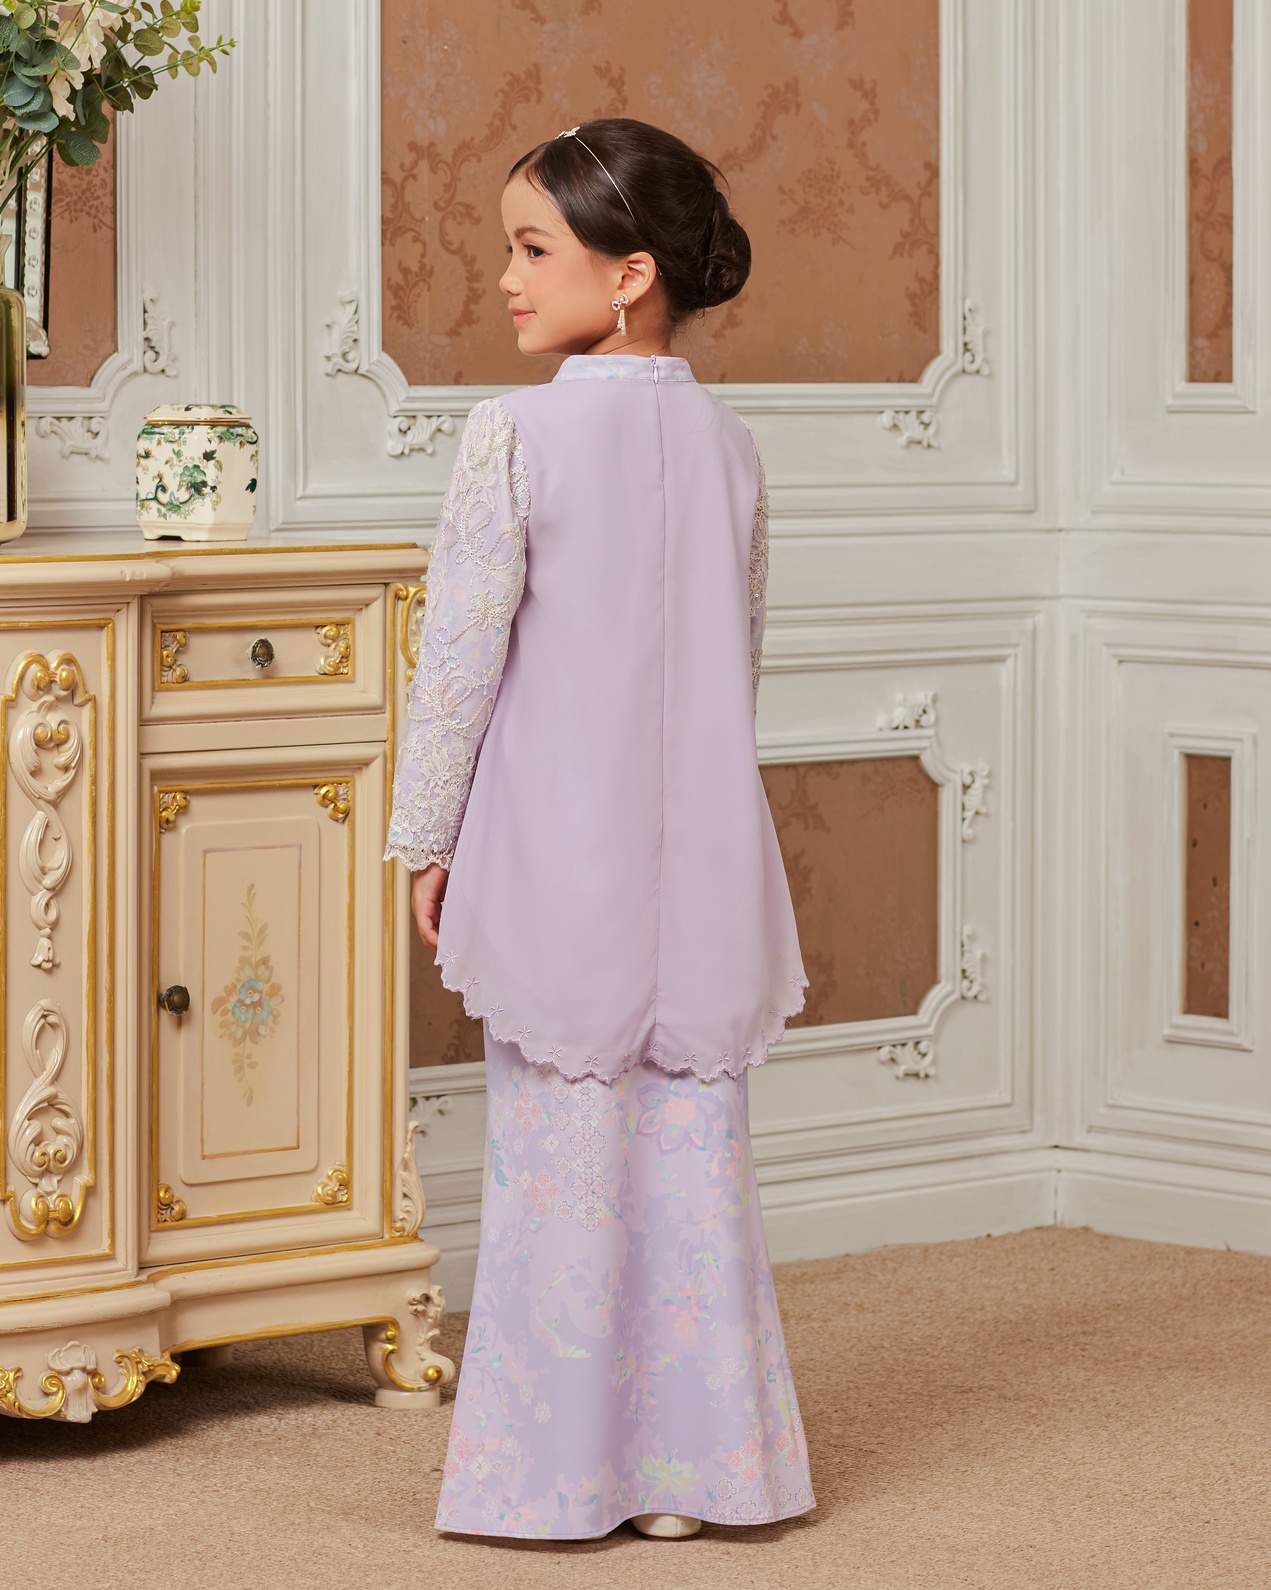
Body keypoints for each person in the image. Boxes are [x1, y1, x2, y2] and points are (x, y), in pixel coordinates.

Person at [385, 116, 815, 1542]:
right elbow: (738, 659)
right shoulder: (733, 446)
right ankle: (697, 1477)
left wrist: (425, 834)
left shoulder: (514, 435)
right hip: (702, 858)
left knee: (561, 1166)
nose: (507, 278)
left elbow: (459, 658)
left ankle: (560, 1478)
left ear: (630, 276)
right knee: (692, 1168)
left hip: (561, 848)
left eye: (532, 249)